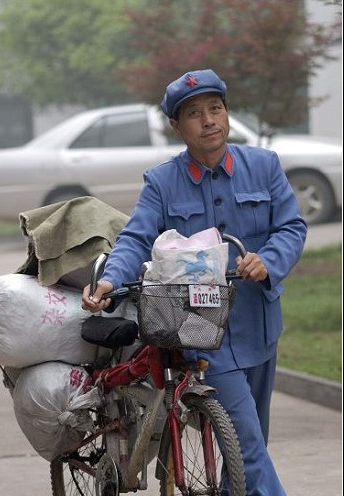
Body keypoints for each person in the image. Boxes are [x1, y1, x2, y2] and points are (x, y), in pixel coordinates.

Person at [82, 69, 307, 495]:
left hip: (259, 324)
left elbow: (292, 227)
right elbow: (136, 238)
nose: (208, 120)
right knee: (247, 443)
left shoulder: (264, 166)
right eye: (194, 113)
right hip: (200, 328)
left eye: (216, 109)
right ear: (176, 126)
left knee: (246, 444)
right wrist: (111, 280)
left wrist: (269, 260)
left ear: (226, 113)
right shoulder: (162, 182)